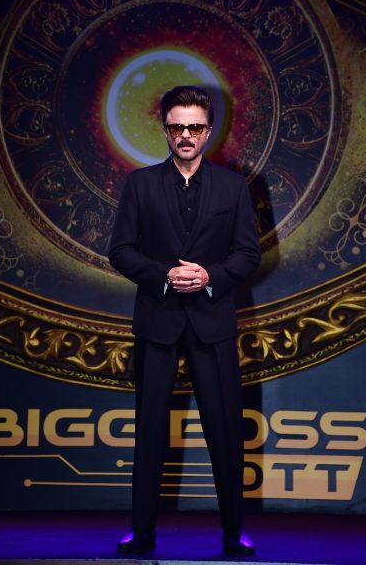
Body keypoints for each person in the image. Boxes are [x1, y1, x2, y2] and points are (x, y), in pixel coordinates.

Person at [108, 85, 260, 556]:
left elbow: (248, 254)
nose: (186, 135)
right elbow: (120, 250)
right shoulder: (140, 184)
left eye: (195, 127)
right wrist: (164, 276)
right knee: (150, 430)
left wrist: (210, 276)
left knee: (225, 431)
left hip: (212, 322)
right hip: (158, 320)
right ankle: (142, 533)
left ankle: (233, 534)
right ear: (165, 130)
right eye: (177, 127)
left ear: (209, 131)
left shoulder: (234, 188)